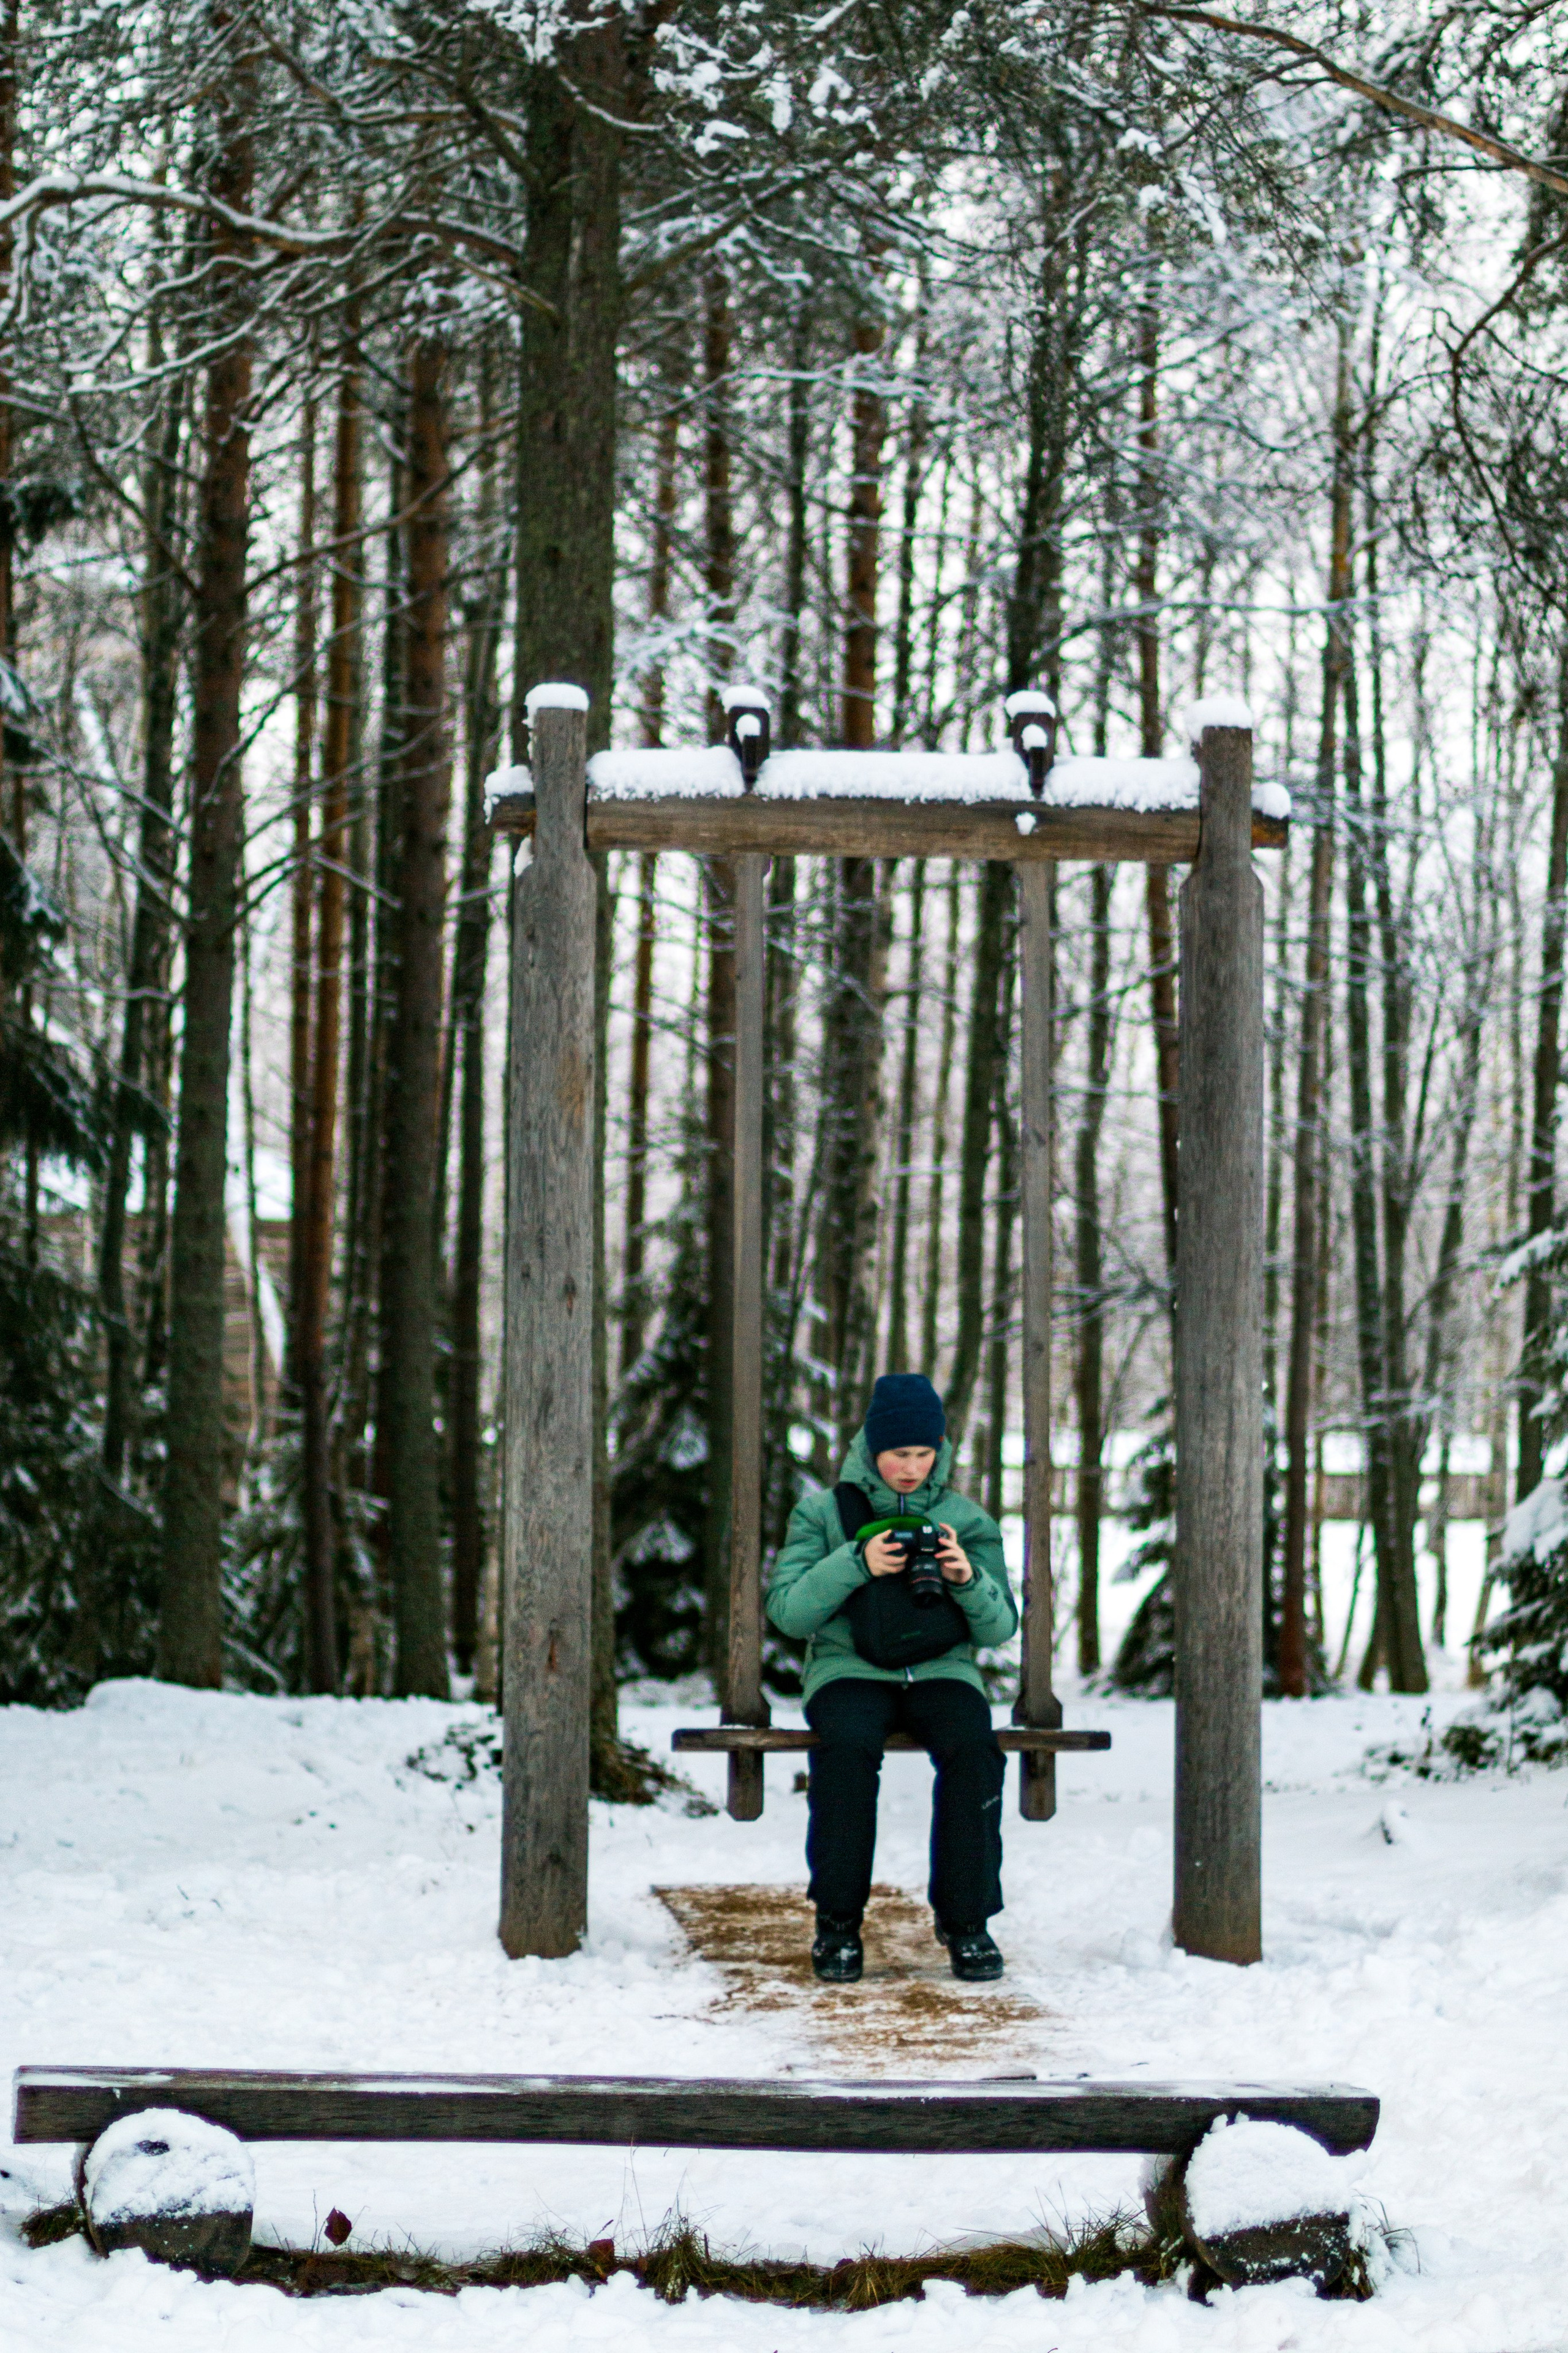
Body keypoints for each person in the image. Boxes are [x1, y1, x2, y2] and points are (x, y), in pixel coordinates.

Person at [766, 1373, 1019, 1985]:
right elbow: (789, 1612)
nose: (910, 1467)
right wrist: (855, 1561)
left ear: (940, 1449)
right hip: (847, 1669)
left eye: (923, 1452)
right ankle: (837, 1924)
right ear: (871, 1448)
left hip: (941, 1669)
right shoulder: (823, 1513)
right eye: (898, 1453)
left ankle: (967, 1923)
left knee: (973, 1747)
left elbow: (999, 1627)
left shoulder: (966, 1519)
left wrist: (965, 1578)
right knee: (847, 1749)